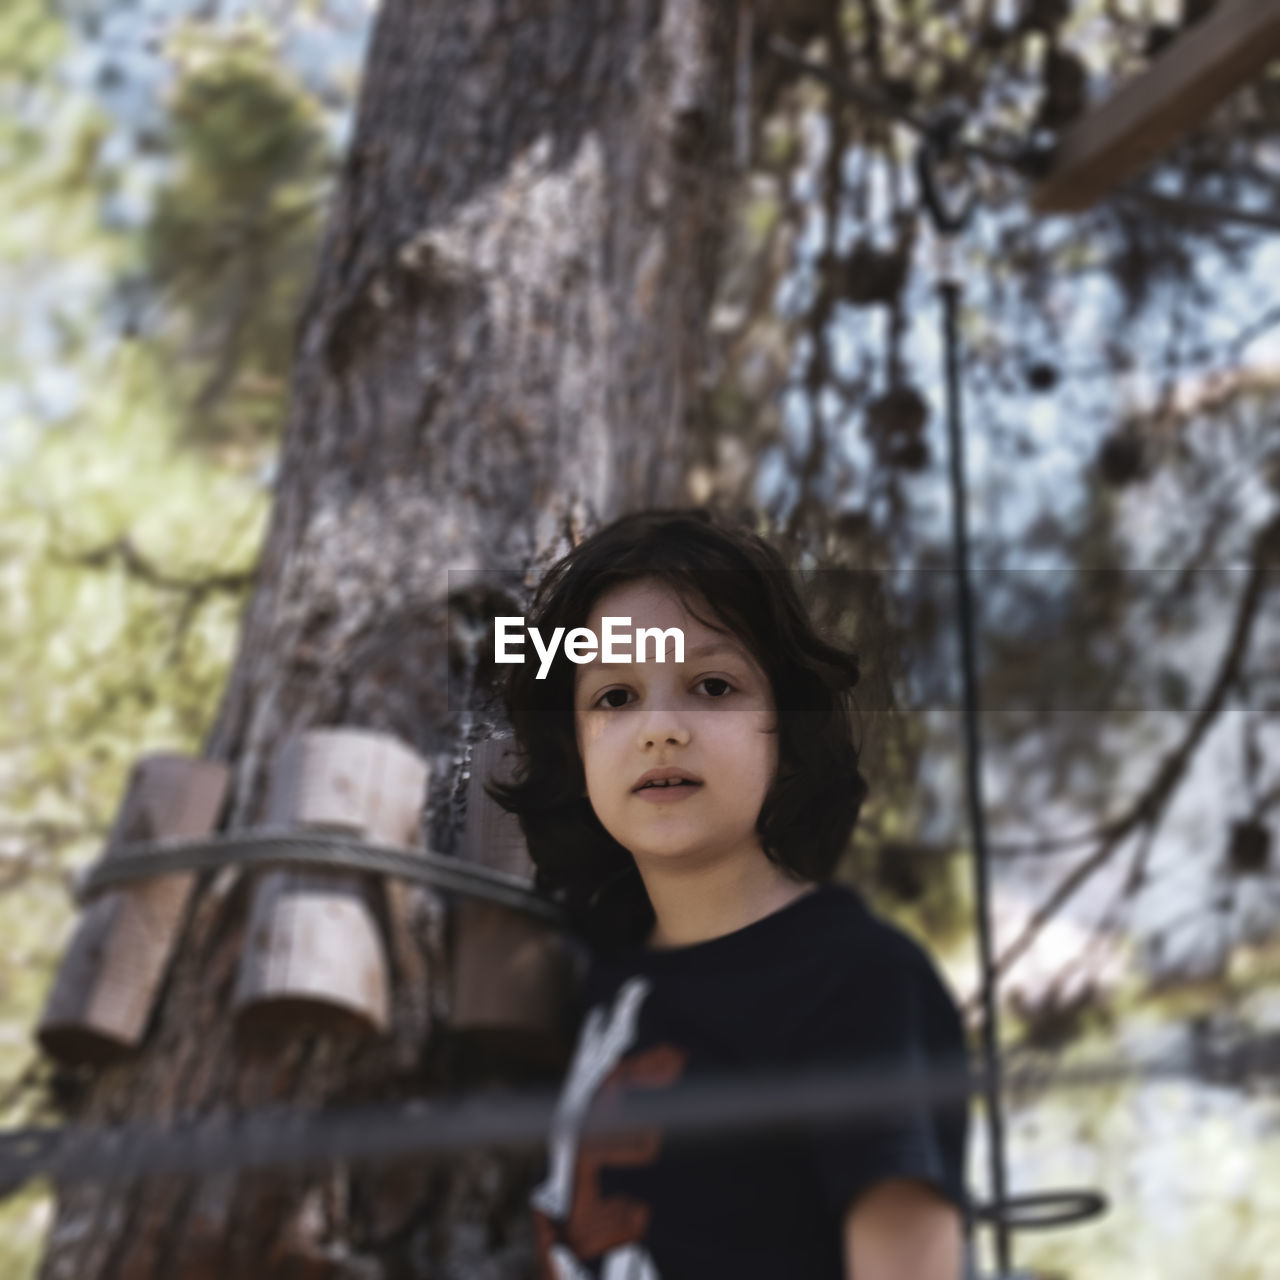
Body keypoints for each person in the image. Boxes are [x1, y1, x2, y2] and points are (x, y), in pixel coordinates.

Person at [490, 509, 970, 1280]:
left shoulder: (859, 982)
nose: (660, 729)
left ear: (785, 726)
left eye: (712, 685)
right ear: (573, 747)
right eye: (615, 696)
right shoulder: (611, 986)